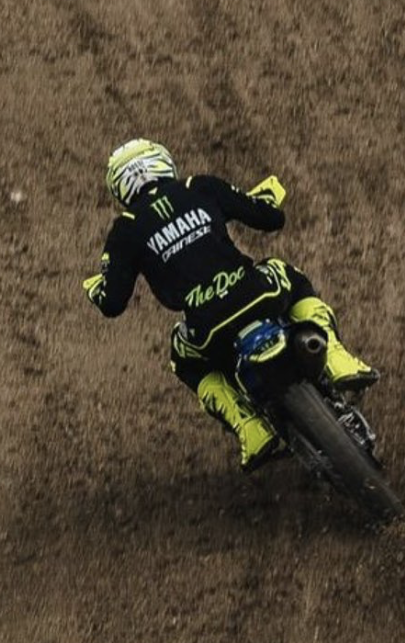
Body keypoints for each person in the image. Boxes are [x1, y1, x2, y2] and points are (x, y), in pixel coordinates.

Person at [83, 138, 377, 469]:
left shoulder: (125, 230)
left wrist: (98, 290)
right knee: (288, 275)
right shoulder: (199, 187)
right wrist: (264, 201)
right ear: (162, 163)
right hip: (256, 294)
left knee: (184, 361)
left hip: (207, 327)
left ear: (119, 188)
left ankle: (249, 426)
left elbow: (112, 303)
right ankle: (337, 359)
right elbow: (271, 219)